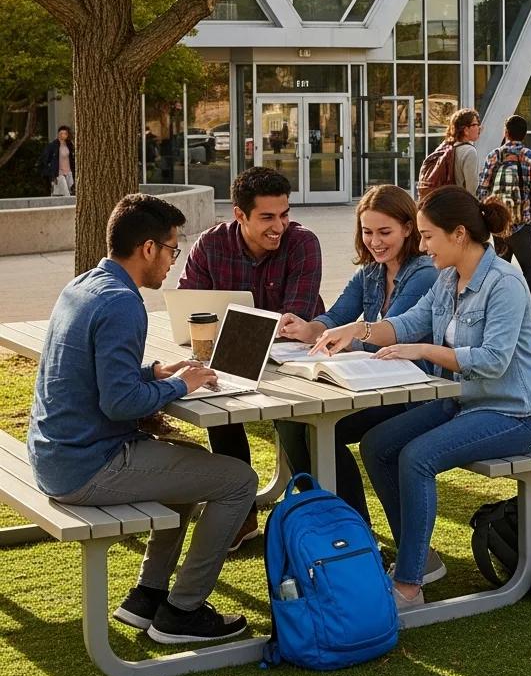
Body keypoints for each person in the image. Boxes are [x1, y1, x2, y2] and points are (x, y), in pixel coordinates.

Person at [28, 194, 256, 643]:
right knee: (239, 481)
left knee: (189, 461)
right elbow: (121, 404)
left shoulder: (84, 285)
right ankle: (183, 612)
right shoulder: (121, 303)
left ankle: (147, 596)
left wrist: (155, 372)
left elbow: (97, 375)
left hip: (56, 454)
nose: (173, 260)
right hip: (85, 467)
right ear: (148, 248)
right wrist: (181, 385)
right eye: (172, 249)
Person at [310, 187, 531, 609]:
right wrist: (356, 330)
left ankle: (409, 585)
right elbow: (407, 323)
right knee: (377, 445)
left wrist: (423, 350)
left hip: (515, 413)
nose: (422, 247)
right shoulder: (446, 279)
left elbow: (493, 361)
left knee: (417, 457)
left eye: (427, 236)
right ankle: (419, 560)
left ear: (458, 234)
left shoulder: (506, 283)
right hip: (461, 403)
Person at [178, 166, 323, 547]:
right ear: (239, 214)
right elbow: (189, 308)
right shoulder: (211, 244)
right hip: (232, 356)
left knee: (295, 424)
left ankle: (323, 517)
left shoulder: (302, 243)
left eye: (284, 214)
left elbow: (294, 319)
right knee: (218, 404)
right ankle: (241, 514)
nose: (279, 226)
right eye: (267, 217)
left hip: (292, 360)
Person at [277, 185, 437, 523]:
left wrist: (346, 336)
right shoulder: (371, 272)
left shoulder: (424, 274)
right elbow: (337, 316)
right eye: (367, 232)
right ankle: (333, 521)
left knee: (321, 430)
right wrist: (308, 328)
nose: (374, 241)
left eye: (384, 232)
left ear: (408, 228)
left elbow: (391, 334)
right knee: (292, 422)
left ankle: (352, 526)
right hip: (375, 384)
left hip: (414, 393)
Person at [476, 113, 531, 334]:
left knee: (496, 273)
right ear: (524, 135)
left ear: (506, 132)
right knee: (530, 271)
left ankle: (489, 319)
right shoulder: (529, 157)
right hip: (521, 226)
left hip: (498, 227)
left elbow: (481, 190)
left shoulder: (494, 156)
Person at [446, 107, 482, 191]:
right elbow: (472, 189)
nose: (479, 128)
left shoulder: (450, 147)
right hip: (460, 198)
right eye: (475, 124)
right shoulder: (469, 151)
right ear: (465, 130)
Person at [39, 125, 75, 197]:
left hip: (68, 172)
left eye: (65, 133)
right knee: (67, 194)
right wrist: (52, 175)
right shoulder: (52, 145)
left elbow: (71, 159)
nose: (63, 135)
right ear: (58, 134)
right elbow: (45, 160)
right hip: (59, 173)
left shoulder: (69, 145)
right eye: (61, 133)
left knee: (64, 192)